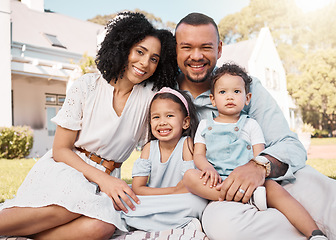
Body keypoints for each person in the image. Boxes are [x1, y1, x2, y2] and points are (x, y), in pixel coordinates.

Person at [0, 12, 178, 239]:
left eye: (154, 59)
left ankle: (28, 233)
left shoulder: (151, 99)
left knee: (102, 228)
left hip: (108, 179)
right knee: (70, 203)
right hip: (69, 169)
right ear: (123, 48)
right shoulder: (87, 85)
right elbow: (60, 150)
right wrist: (104, 180)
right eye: (140, 52)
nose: (144, 63)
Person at [175, 12, 336, 240]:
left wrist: (259, 166)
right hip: (220, 192)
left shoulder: (246, 87)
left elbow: (289, 144)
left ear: (219, 49)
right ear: (175, 50)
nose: (197, 55)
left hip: (273, 179)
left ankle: (316, 230)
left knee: (324, 195)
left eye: (206, 47)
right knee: (224, 227)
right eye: (187, 47)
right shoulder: (167, 96)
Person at [118, 87, 208, 232]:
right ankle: (176, 223)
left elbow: (186, 187)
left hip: (179, 200)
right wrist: (172, 191)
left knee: (196, 203)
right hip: (158, 199)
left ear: (185, 122)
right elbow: (138, 188)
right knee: (123, 200)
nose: (162, 122)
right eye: (156, 117)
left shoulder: (187, 144)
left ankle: (144, 222)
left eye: (169, 116)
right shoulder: (149, 148)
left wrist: (172, 193)